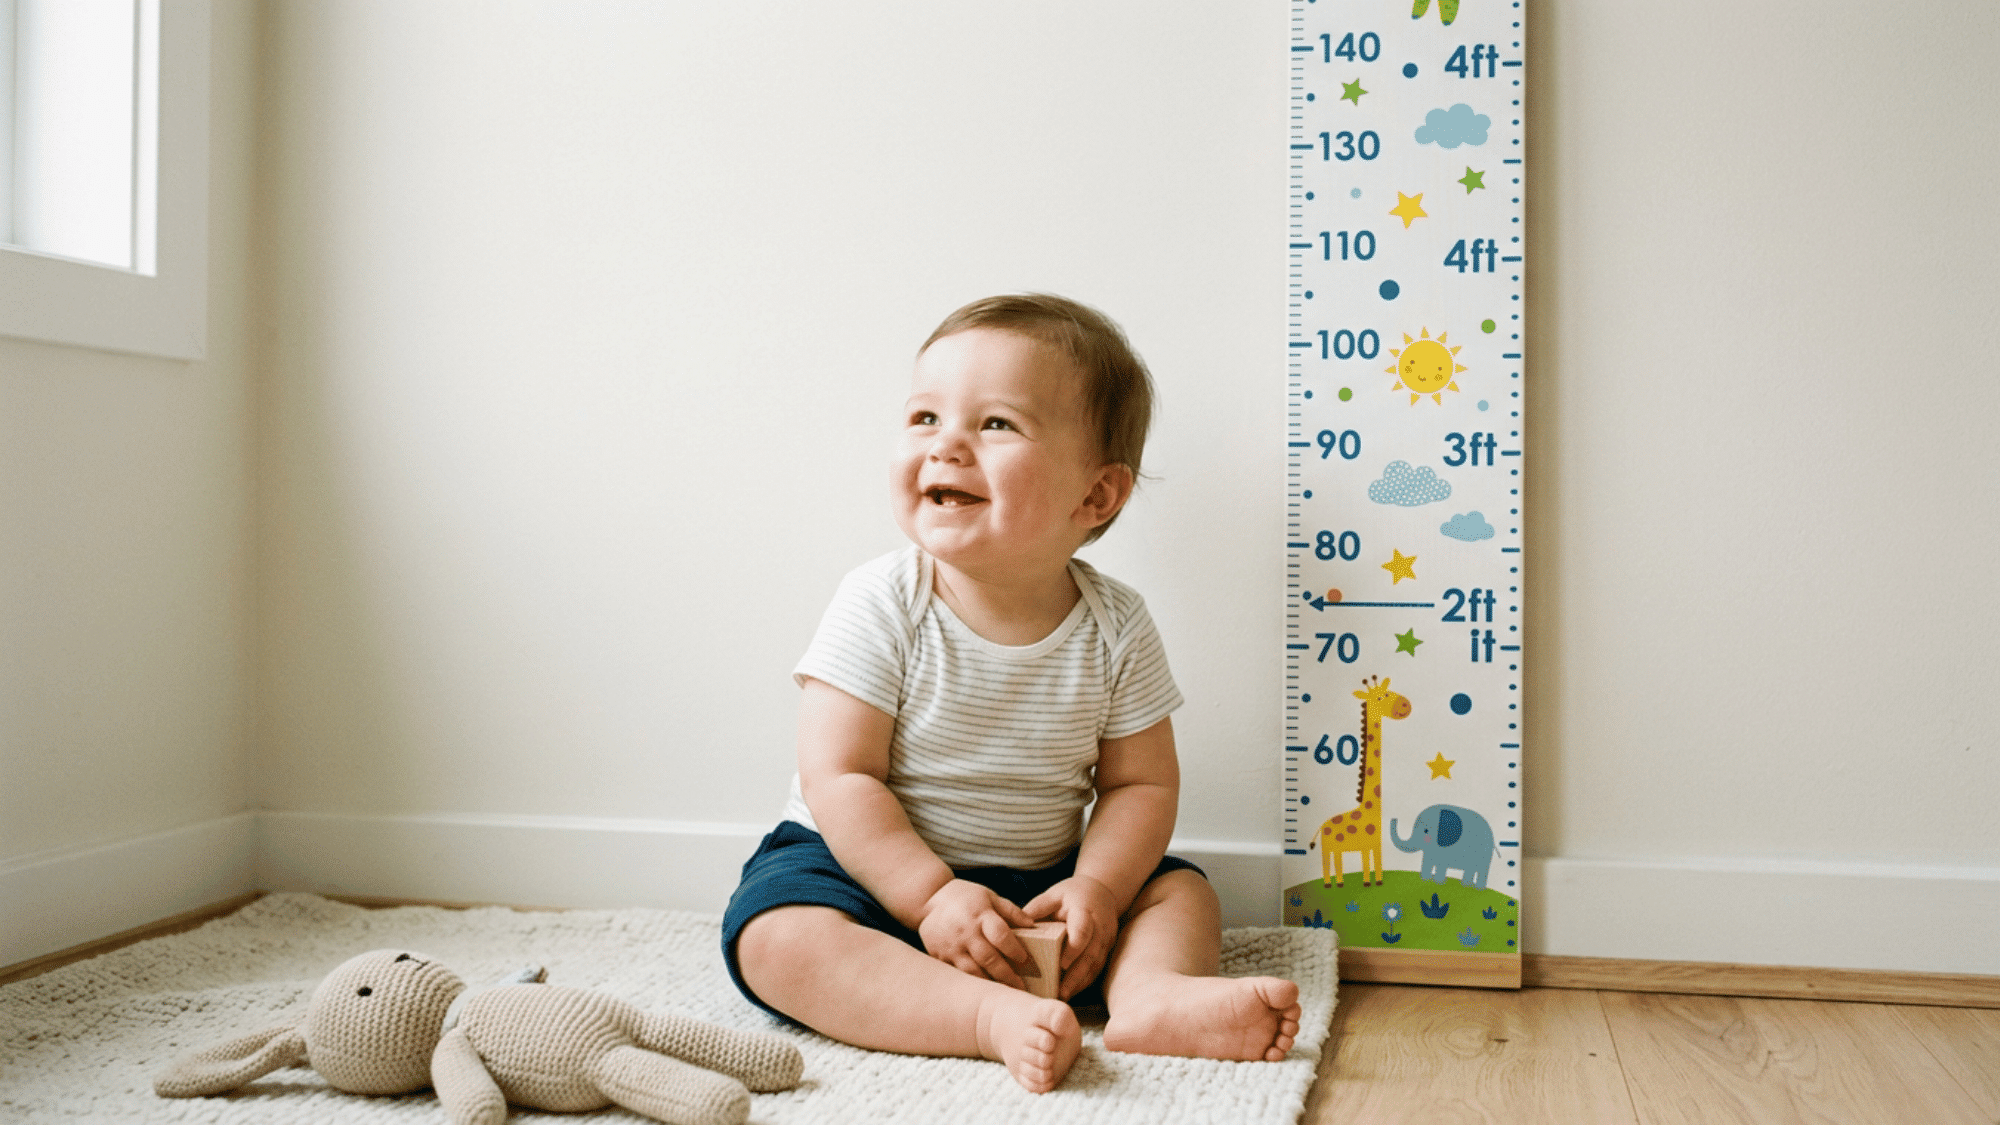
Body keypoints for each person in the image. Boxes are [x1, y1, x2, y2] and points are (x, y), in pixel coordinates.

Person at [721, 294, 1301, 1093]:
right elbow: (838, 775)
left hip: (1041, 885)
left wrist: (1096, 890)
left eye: (995, 424)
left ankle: (1149, 995)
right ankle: (978, 1017)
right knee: (778, 937)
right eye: (924, 416)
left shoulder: (1116, 624)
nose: (946, 444)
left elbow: (1141, 783)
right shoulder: (883, 599)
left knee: (1180, 892)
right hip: (868, 873)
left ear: (1096, 496)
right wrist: (929, 897)